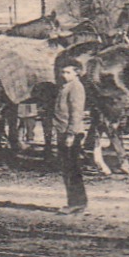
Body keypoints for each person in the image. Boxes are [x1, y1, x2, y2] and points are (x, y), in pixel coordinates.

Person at [50, 57, 88, 215]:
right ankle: (77, 202)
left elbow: (76, 113)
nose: (64, 75)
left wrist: (71, 135)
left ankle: (75, 203)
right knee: (69, 169)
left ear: (77, 73)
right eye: (62, 72)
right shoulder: (66, 86)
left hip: (70, 134)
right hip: (63, 132)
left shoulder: (75, 88)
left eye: (68, 72)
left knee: (71, 169)